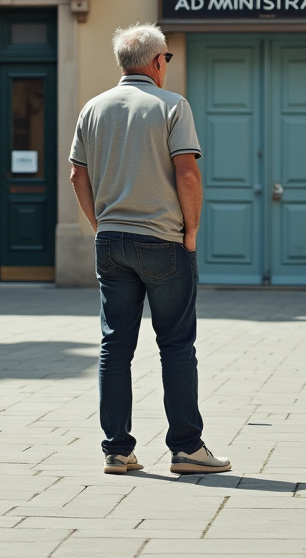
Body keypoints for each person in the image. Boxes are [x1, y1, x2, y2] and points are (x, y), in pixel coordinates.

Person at [69, 23, 231, 476]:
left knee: (114, 347)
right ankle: (186, 448)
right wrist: (192, 232)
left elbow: (77, 176)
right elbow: (187, 173)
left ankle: (117, 451)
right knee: (176, 346)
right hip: (163, 240)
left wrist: (100, 224)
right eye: (168, 60)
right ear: (158, 62)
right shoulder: (172, 106)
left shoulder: (93, 108)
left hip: (111, 242)